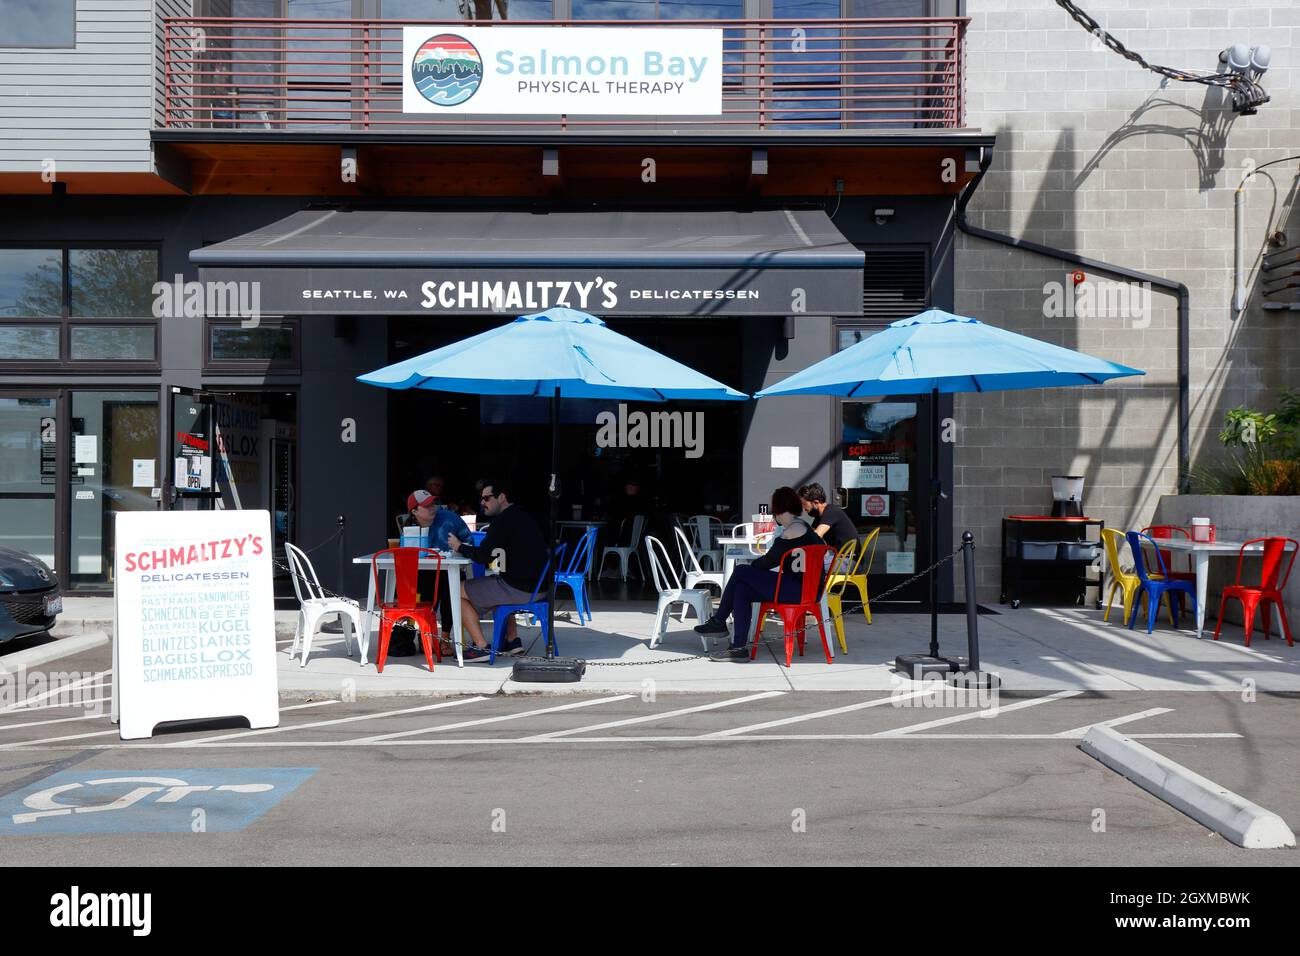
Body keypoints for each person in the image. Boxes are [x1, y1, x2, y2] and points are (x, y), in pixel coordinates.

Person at [695, 486, 827, 661]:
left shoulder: (789, 533)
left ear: (779, 509)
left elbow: (765, 564)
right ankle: (738, 648)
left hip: (796, 590)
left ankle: (719, 621)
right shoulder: (804, 527)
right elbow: (822, 547)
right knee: (742, 588)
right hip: (810, 589)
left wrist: (752, 567)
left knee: (742, 570)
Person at [447, 480, 549, 662]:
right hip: (539, 588)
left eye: (487, 498)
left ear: (501, 498)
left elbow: (483, 556)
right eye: (481, 499)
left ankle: (481, 647)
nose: (482, 503)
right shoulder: (523, 516)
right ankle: (512, 641)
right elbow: (496, 556)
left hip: (520, 589)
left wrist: (459, 546)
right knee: (495, 580)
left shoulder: (503, 521)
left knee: (456, 589)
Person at [398, 488, 472, 646]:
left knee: (450, 584)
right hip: (423, 574)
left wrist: (458, 549)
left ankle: (444, 637)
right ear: (414, 511)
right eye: (427, 506)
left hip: (450, 570)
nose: (433, 508)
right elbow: (406, 556)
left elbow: (469, 542)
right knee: (422, 582)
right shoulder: (410, 529)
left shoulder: (450, 518)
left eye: (433, 504)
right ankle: (427, 632)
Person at [798, 482, 860, 550]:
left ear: (816, 502)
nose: (803, 508)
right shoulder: (819, 515)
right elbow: (811, 532)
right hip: (836, 554)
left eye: (804, 504)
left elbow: (815, 537)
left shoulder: (830, 512)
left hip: (847, 558)